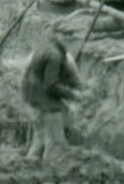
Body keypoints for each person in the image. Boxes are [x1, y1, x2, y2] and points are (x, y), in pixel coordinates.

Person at [21, 32, 84, 162]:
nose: (69, 40)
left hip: (36, 103)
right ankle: (50, 178)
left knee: (39, 144)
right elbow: (51, 85)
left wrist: (27, 102)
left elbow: (26, 79)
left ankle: (29, 176)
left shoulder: (44, 48)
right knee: (56, 146)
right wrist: (73, 95)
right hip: (48, 107)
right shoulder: (57, 56)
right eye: (67, 37)